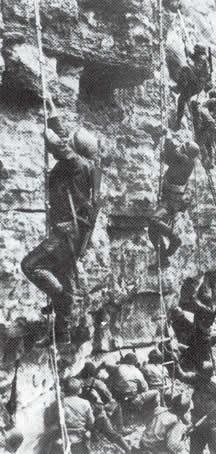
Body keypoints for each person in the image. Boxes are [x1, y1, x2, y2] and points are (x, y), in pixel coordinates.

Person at [21, 95, 98, 342]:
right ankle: (62, 334)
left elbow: (57, 144)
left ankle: (60, 298)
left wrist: (46, 131)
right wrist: (53, 113)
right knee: (62, 275)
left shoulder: (76, 163)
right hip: (75, 237)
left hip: (65, 234)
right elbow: (64, 140)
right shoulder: (87, 165)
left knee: (31, 266)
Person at [148, 136, 200, 268]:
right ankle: (163, 258)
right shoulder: (189, 162)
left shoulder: (183, 159)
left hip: (169, 200)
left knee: (154, 220)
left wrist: (168, 138)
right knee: (152, 231)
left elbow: (169, 153)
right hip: (174, 200)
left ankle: (174, 238)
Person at [176, 361, 216, 454]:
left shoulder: (214, 385)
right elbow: (182, 376)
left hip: (211, 422)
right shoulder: (196, 379)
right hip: (197, 420)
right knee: (195, 449)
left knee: (214, 448)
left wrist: (215, 407)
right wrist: (176, 364)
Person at [44, 378, 94, 454]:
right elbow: (91, 421)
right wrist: (88, 429)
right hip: (79, 437)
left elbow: (49, 420)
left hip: (63, 436)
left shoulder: (59, 403)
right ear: (79, 390)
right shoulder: (85, 403)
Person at [175, 43, 212, 129]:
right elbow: (191, 55)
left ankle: (179, 88)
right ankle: (178, 121)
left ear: (199, 52)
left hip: (197, 84)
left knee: (185, 69)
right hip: (195, 83)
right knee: (182, 98)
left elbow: (196, 68)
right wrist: (185, 46)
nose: (194, 52)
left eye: (196, 51)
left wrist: (190, 64)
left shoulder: (202, 59)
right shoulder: (200, 57)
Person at [190, 100, 216, 169]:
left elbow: (199, 123)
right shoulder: (203, 108)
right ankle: (211, 162)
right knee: (209, 145)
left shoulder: (197, 111)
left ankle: (205, 161)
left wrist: (197, 132)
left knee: (199, 143)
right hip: (214, 128)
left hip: (208, 129)